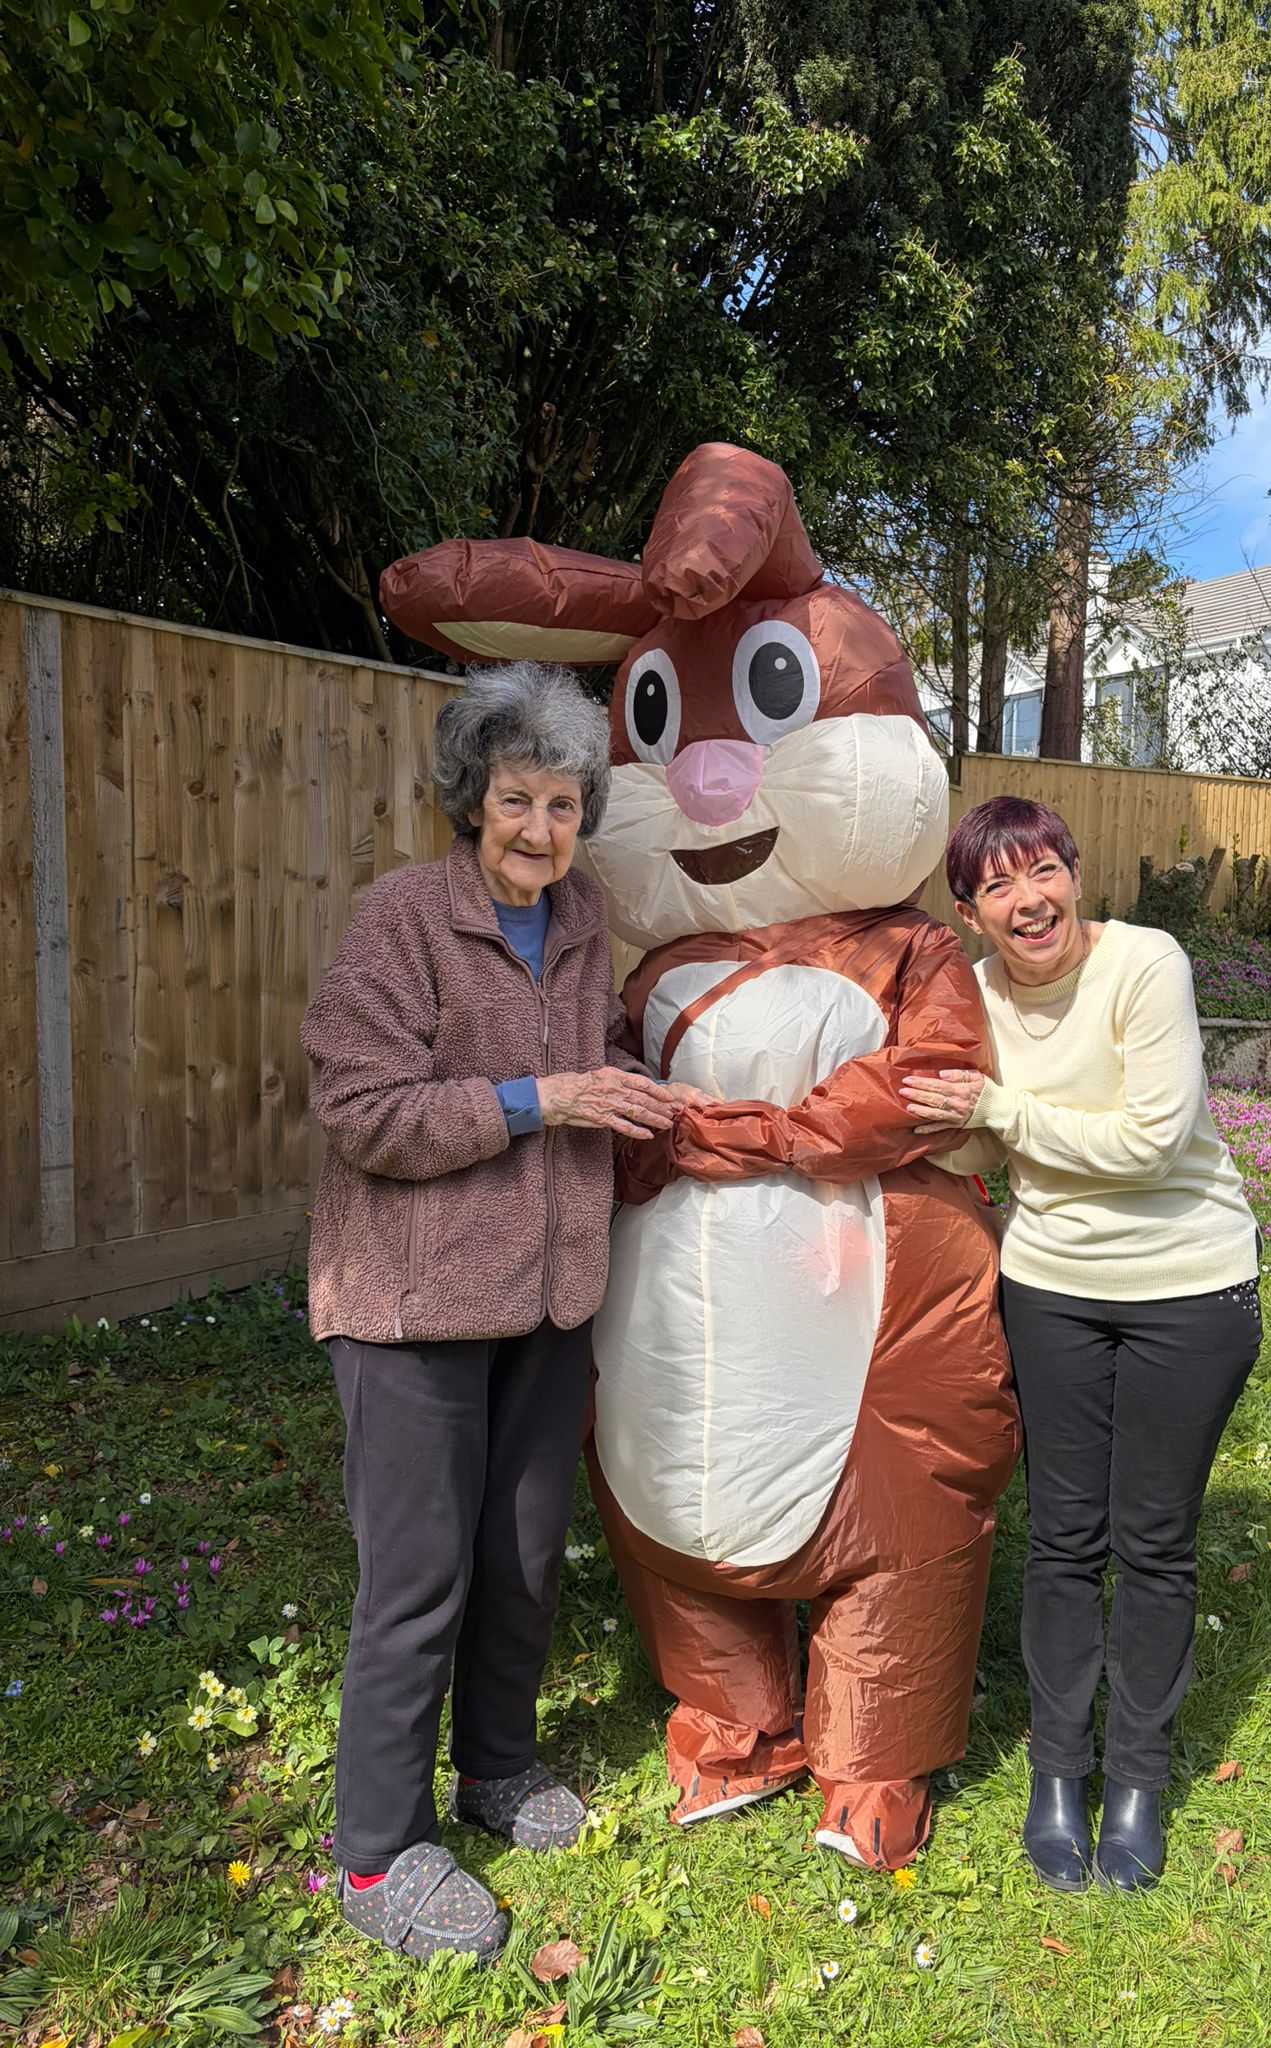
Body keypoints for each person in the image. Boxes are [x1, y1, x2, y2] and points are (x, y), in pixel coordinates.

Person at [300, 664, 683, 1961]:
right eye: (517, 800)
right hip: (408, 1306)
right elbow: (362, 1114)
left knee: (522, 1555)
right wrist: (545, 1100)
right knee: (419, 1577)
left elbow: (592, 1058)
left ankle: (496, 1770)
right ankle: (374, 1857)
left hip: (543, 1295)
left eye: (564, 804)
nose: (540, 830)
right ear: (473, 799)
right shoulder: (402, 920)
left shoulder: (579, 918)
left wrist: (630, 1087)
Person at [900, 796, 1262, 1893]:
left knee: (1152, 1542)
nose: (1028, 899)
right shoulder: (980, 997)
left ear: (1074, 870)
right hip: (1050, 1287)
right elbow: (977, 1131)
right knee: (1061, 1537)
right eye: (998, 886)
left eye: (1042, 870)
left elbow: (1153, 1138)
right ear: (971, 912)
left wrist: (999, 1111)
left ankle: (1138, 1781)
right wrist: (919, 1112)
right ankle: (1058, 1773)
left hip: (1189, 1285)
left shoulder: (1146, 963)